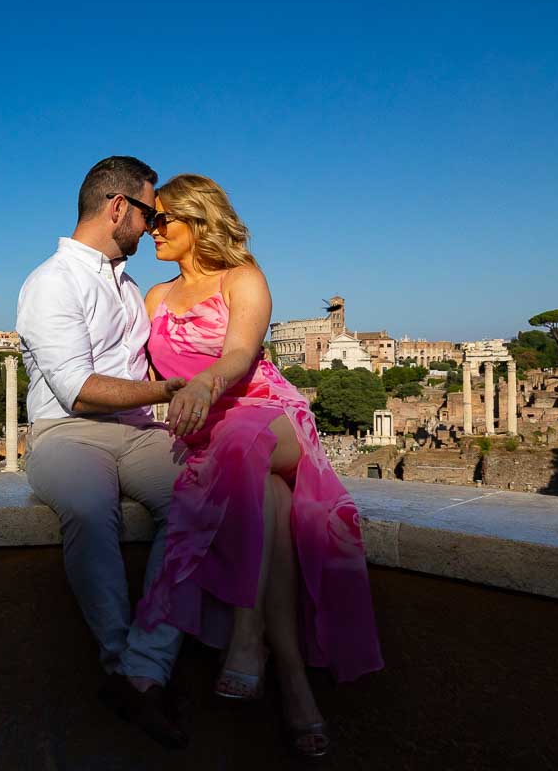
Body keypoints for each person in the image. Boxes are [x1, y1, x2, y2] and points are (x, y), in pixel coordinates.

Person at [135, 173, 384, 757]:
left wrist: (201, 388)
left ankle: (246, 633)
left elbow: (242, 354)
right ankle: (294, 683)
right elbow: (149, 382)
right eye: (148, 220)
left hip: (269, 417)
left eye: (161, 219)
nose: (151, 231)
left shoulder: (243, 278)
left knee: (245, 440)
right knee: (269, 496)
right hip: (214, 438)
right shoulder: (155, 297)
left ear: (197, 220)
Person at [17, 156, 224, 748]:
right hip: (66, 431)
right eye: (150, 212)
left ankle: (142, 668)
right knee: (89, 511)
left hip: (137, 432)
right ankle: (123, 666)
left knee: (201, 501)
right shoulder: (51, 282)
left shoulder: (129, 286)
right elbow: (77, 392)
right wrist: (170, 390)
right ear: (117, 209)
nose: (154, 225)